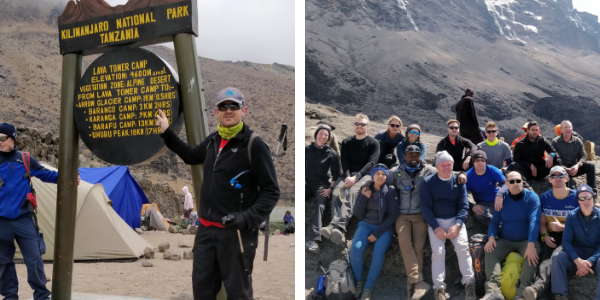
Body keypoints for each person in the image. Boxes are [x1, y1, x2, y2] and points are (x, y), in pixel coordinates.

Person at [156, 87, 279, 299]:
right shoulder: (213, 140)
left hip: (237, 235)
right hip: (205, 233)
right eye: (223, 106)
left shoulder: (254, 144)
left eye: (234, 106)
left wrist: (245, 218)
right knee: (202, 292)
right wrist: (167, 132)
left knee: (238, 294)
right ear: (216, 112)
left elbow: (271, 191)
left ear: (244, 110)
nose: (228, 110)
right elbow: (190, 155)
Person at [0, 122, 80, 300]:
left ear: (13, 138)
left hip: (23, 219)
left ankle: (42, 295)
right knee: (3, 262)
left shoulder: (25, 160)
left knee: (34, 259)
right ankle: (10, 296)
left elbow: (47, 174)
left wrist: (69, 177)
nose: (0, 142)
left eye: (3, 138)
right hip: (1, 222)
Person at [391, 145, 467, 299]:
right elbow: (378, 176)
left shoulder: (428, 170)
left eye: (416, 155)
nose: (413, 157)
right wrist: (365, 182)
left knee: (418, 247)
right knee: (405, 244)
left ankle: (414, 289)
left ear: (421, 156)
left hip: (420, 215)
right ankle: (416, 283)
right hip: (402, 215)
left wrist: (461, 173)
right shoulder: (395, 172)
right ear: (404, 156)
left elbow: (445, 170)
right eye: (410, 155)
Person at [420, 151, 476, 300]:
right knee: (438, 253)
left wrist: (457, 225)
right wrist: (436, 227)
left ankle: (469, 283)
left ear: (453, 165)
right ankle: (439, 288)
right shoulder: (428, 182)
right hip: (436, 222)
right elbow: (425, 207)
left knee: (463, 248)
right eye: (443, 164)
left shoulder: (459, 181)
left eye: (449, 164)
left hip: (455, 221)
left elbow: (463, 206)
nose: (446, 167)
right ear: (437, 166)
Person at [481, 170, 542, 300]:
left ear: (522, 182)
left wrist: (531, 244)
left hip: (526, 241)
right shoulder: (501, 199)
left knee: (534, 250)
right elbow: (494, 222)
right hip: (507, 241)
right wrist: (491, 237)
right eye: (512, 181)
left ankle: (521, 293)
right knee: (490, 249)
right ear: (506, 184)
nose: (515, 184)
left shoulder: (532, 198)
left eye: (518, 181)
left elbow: (534, 222)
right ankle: (493, 291)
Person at [321, 114, 380, 245]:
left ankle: (339, 227)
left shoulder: (374, 143)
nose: (359, 126)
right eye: (357, 124)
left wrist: (357, 176)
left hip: (366, 175)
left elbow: (372, 162)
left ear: (367, 126)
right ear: (354, 126)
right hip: (348, 174)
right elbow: (345, 162)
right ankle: (334, 229)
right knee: (336, 193)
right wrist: (348, 176)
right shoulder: (347, 142)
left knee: (353, 192)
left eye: (362, 124)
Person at [521, 166, 578, 300]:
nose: (557, 178)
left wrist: (562, 227)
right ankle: (543, 295)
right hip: (550, 235)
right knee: (544, 259)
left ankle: (537, 289)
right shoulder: (545, 197)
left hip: (569, 236)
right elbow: (542, 223)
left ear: (567, 178)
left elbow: (581, 225)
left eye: (561, 175)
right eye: (554, 176)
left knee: (554, 258)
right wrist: (545, 236)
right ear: (549, 180)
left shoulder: (575, 197)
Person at [351, 164, 399, 300]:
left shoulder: (391, 192)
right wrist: (364, 197)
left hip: (384, 228)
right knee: (355, 249)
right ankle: (359, 281)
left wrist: (377, 233)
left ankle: (368, 287)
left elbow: (392, 216)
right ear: (372, 176)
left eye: (383, 174)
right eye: (377, 173)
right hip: (366, 225)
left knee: (377, 253)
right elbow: (357, 213)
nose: (381, 176)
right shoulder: (365, 190)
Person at [550, 184, 600, 300]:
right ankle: (560, 295)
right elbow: (566, 241)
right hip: (576, 254)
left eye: (588, 197)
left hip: (595, 256)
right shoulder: (572, 216)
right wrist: (578, 262)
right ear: (578, 200)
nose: (585, 201)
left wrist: (589, 262)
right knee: (557, 257)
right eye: (582, 198)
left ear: (593, 198)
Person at [305, 125, 340, 253]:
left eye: (326, 135)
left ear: (329, 138)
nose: (323, 136)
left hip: (322, 184)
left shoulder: (331, 153)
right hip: (307, 183)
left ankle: (313, 240)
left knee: (320, 204)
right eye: (321, 134)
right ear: (316, 135)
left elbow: (336, 174)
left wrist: (330, 189)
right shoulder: (307, 150)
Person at [551, 120, 596, 194]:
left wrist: (577, 166)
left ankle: (592, 192)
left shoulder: (577, 141)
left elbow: (584, 156)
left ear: (572, 129)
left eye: (569, 127)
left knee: (591, 166)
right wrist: (563, 168)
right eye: (565, 127)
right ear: (561, 130)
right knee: (571, 187)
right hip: (561, 168)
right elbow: (554, 158)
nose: (568, 129)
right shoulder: (555, 142)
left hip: (574, 167)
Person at [465, 150, 507, 226]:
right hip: (483, 204)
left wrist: (500, 194)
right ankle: (502, 228)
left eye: (482, 160)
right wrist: (472, 206)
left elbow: (506, 183)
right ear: (473, 163)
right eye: (477, 160)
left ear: (486, 162)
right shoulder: (468, 176)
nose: (480, 162)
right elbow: (461, 196)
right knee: (479, 215)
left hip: (498, 200)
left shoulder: (493, 170)